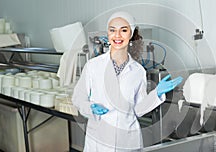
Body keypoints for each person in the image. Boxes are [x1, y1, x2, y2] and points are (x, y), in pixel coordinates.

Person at [72, 11, 183, 152]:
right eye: (112, 30)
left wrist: (156, 94)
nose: (117, 35)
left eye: (123, 30)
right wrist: (90, 107)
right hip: (99, 138)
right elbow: (78, 98)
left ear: (131, 35)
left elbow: (138, 109)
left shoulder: (138, 71)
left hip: (128, 140)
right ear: (108, 33)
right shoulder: (93, 66)